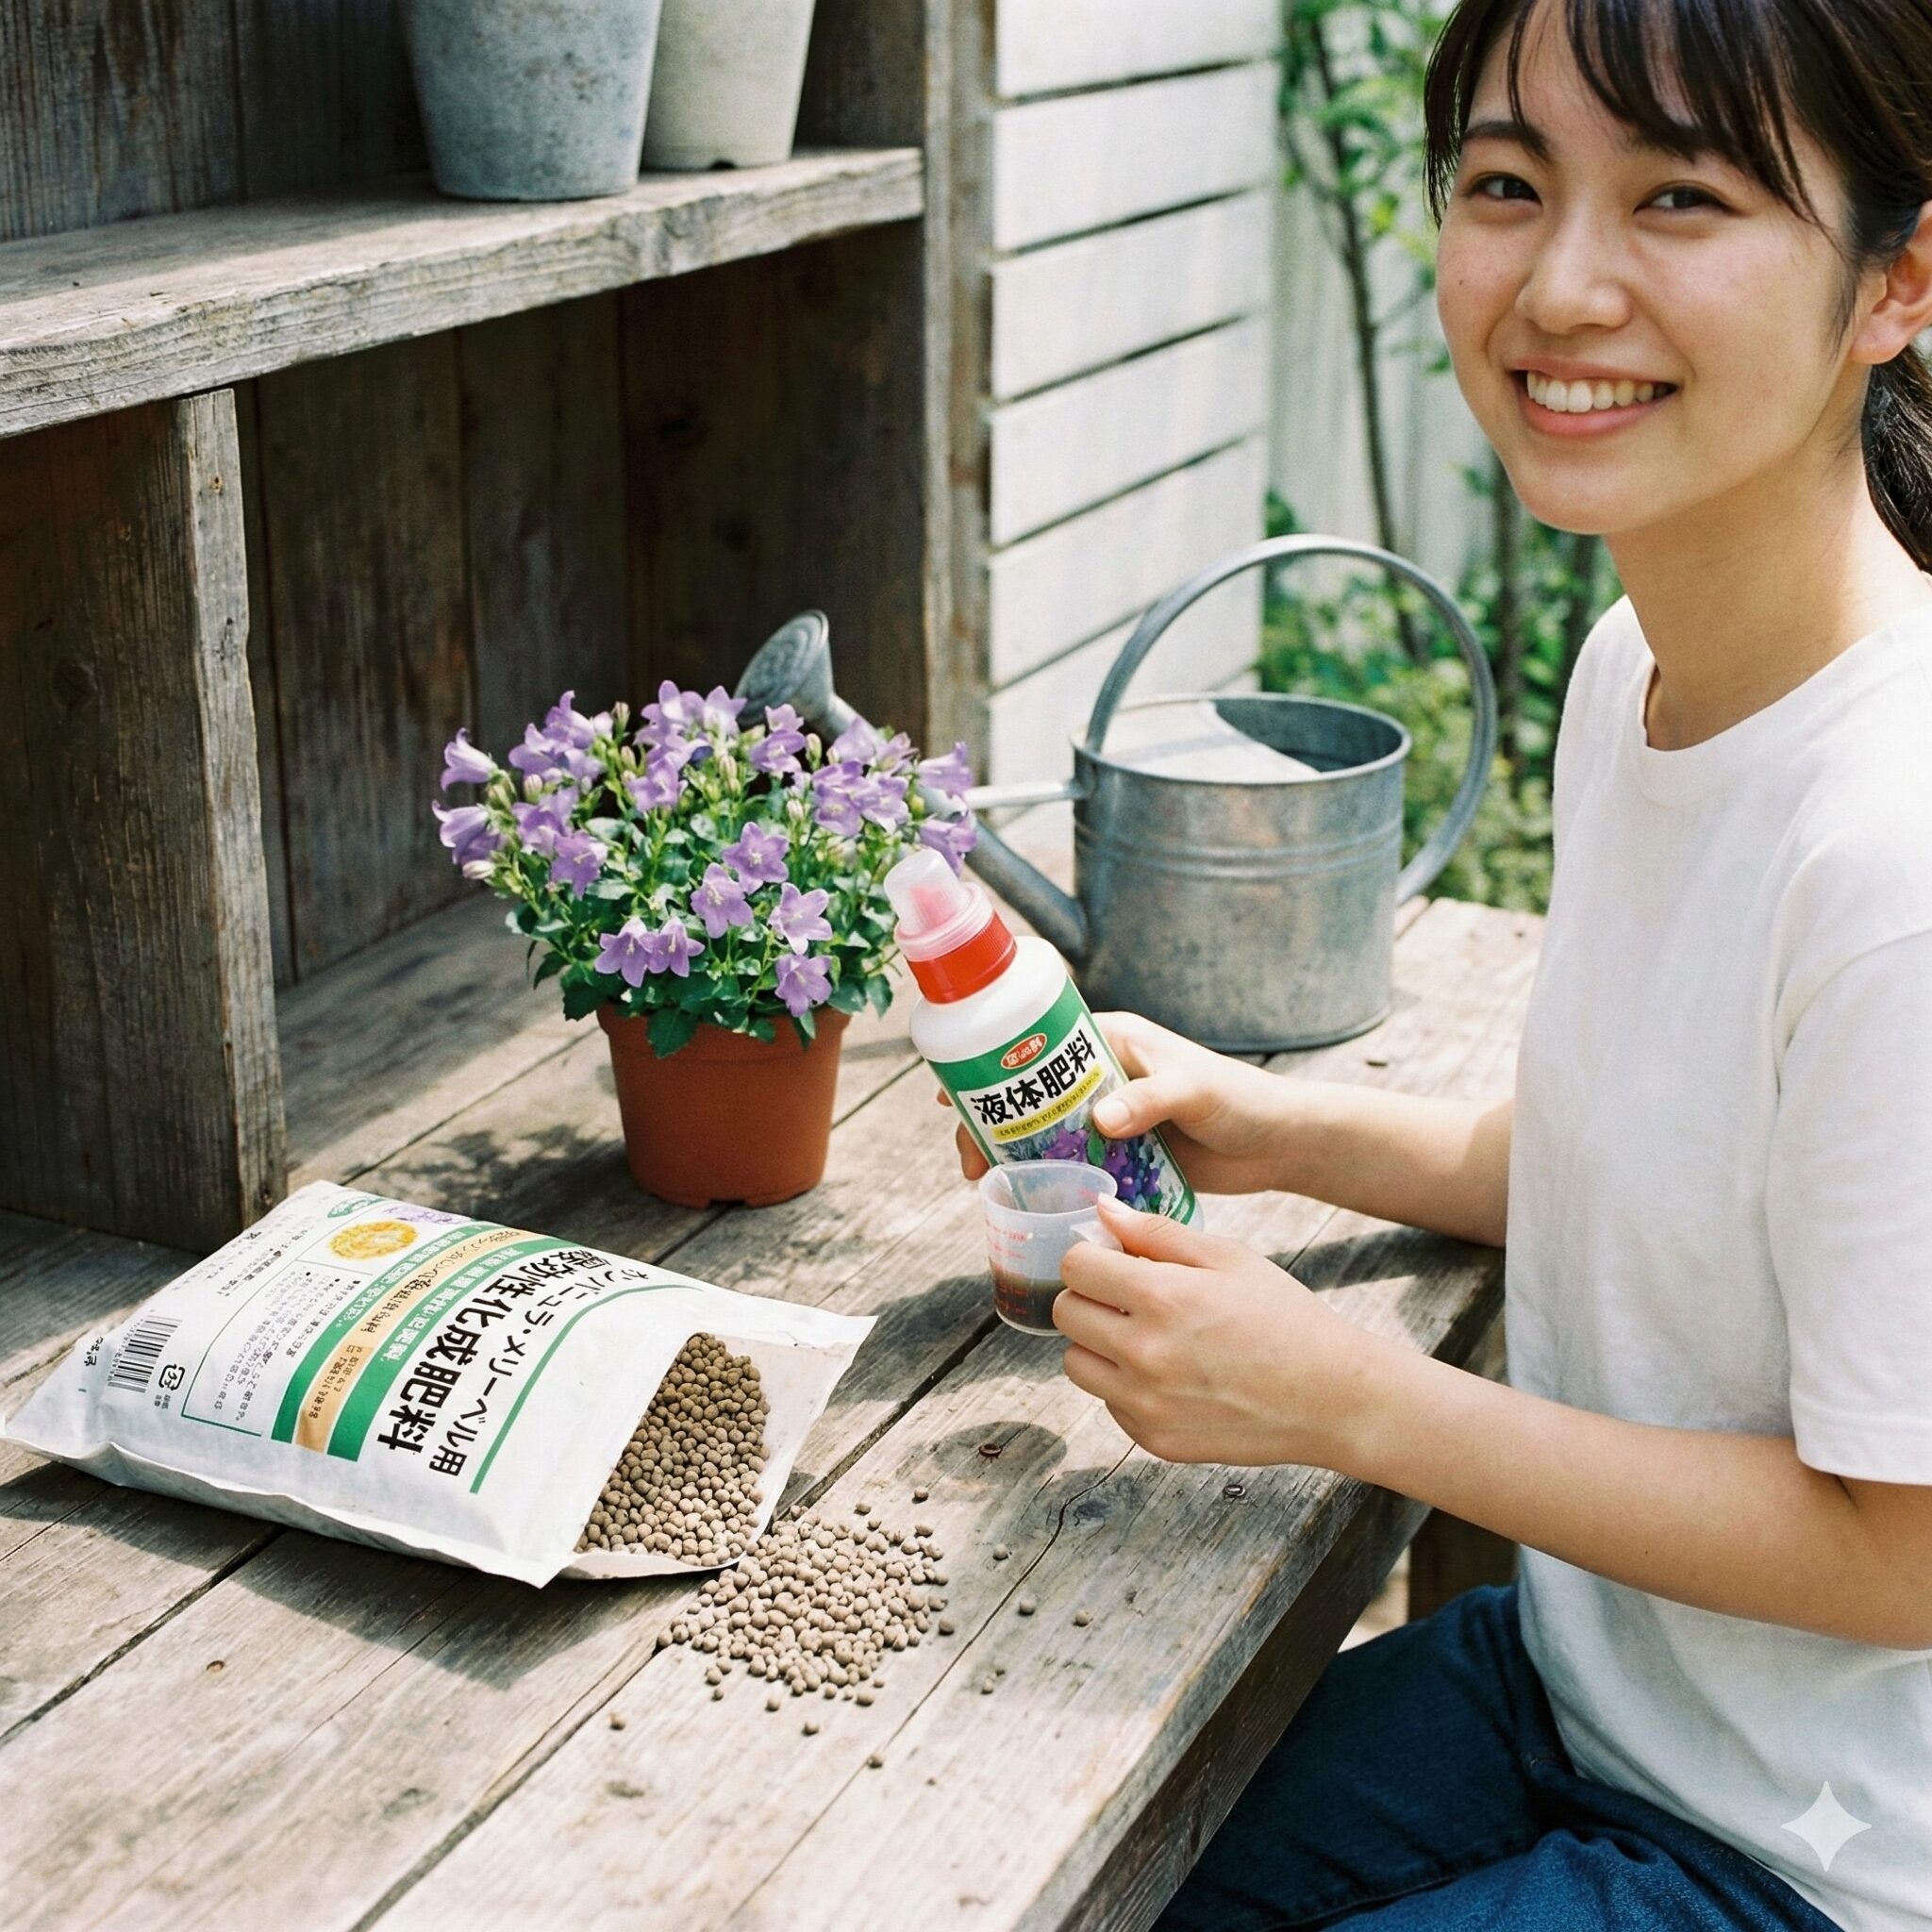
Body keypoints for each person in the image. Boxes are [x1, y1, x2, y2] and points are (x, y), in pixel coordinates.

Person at [947, 0, 1932, 1924]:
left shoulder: (1893, 854)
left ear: (1900, 279)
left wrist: (1350, 1401)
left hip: (1813, 1861)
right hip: (1584, 1691)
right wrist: (1278, 1127)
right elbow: (1661, 1169)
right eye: (1506, 182)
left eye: (1681, 198)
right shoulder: (1633, 670)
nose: (1562, 284)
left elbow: (1904, 1547)